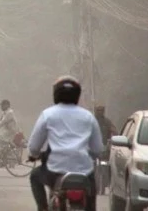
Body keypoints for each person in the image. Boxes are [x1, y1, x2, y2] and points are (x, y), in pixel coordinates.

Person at [27, 76, 104, 211]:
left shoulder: (48, 115)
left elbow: (34, 147)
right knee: (91, 192)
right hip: (84, 172)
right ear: (77, 95)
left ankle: (43, 208)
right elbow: (98, 149)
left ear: (56, 94)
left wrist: (34, 155)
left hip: (55, 170)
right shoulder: (88, 117)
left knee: (35, 176)